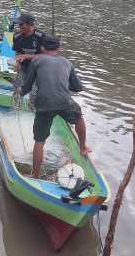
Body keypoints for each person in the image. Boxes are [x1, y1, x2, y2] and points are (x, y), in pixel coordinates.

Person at [16, 36, 91, 178]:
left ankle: (35, 175)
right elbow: (77, 87)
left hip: (43, 103)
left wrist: (20, 91)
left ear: (42, 48)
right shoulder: (67, 62)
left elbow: (27, 86)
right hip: (65, 101)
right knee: (79, 118)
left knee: (39, 141)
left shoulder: (37, 60)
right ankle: (82, 147)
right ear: (59, 49)